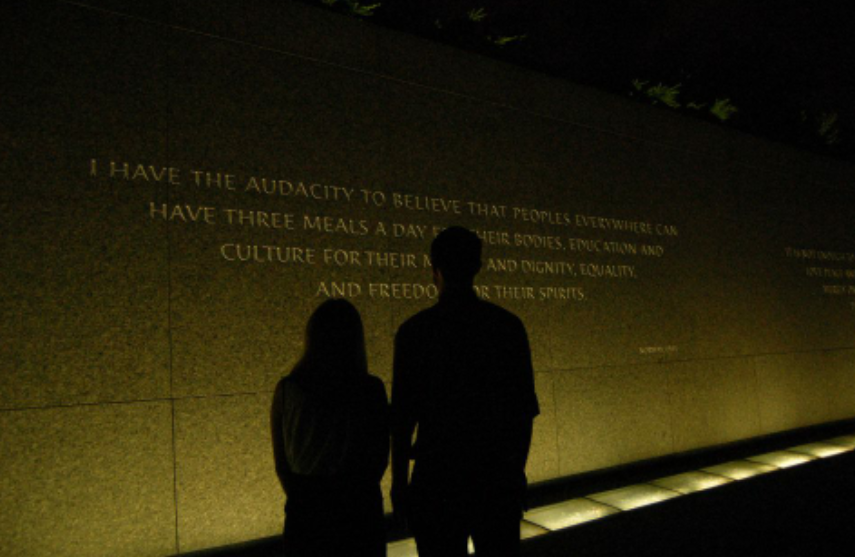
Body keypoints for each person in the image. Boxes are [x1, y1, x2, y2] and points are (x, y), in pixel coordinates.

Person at [390, 226, 539, 557]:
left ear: (434, 270)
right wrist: (514, 473)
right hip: (495, 480)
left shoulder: (415, 333)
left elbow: (401, 421)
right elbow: (523, 414)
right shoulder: (507, 327)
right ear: (477, 267)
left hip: (436, 482)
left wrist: (400, 486)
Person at [271, 299, 389, 557]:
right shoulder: (370, 389)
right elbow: (379, 457)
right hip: (359, 510)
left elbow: (282, 464)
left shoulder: (287, 389)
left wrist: (304, 498)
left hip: (306, 511)